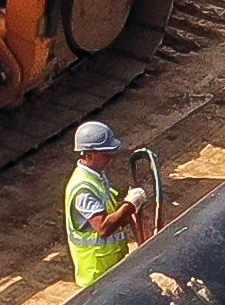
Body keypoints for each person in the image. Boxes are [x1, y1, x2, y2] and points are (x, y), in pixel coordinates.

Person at [62, 120, 156, 289]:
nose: (111, 158)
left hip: (111, 268)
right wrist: (130, 204)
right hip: (96, 275)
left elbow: (114, 209)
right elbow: (104, 228)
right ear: (89, 155)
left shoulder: (97, 176)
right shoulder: (83, 189)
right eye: (105, 154)